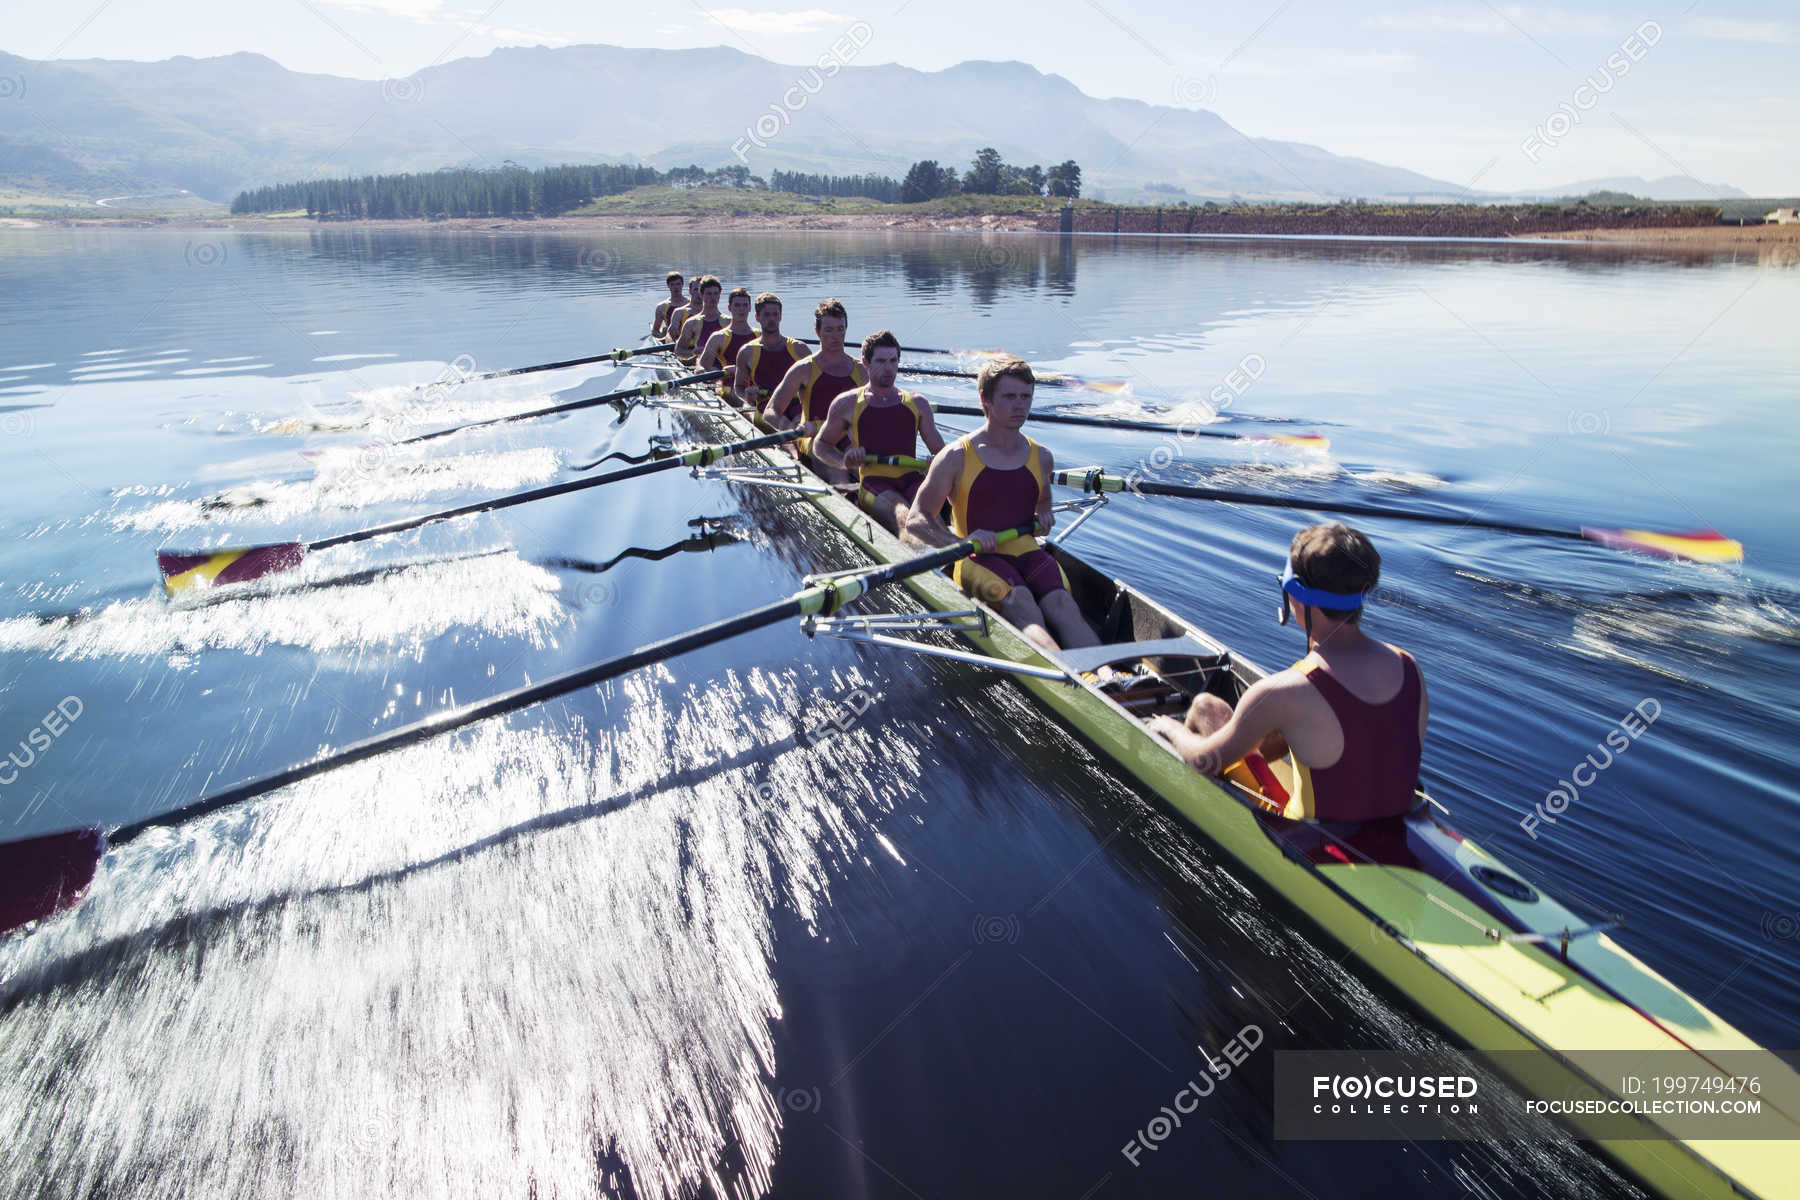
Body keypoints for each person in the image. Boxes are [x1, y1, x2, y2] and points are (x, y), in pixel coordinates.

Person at [1147, 522, 1429, 823]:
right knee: (1208, 708)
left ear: (1297, 597)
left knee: (1201, 715)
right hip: (1394, 825)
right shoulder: (1408, 666)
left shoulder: (1286, 691)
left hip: (1311, 839)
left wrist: (1168, 728)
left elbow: (1203, 761)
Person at [902, 355, 1099, 653]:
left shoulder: (1042, 456)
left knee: (1063, 604)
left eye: (1026, 397)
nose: (1020, 405)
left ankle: (1107, 677)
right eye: (1009, 397)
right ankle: (1074, 679)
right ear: (986, 400)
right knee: (1022, 602)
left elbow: (1043, 507)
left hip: (1026, 551)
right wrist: (960, 542)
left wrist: (1044, 518)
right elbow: (916, 519)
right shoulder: (955, 456)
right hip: (974, 559)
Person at [812, 330, 946, 532]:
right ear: (865, 363)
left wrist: (935, 465)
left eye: (893, 361)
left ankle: (950, 556)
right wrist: (844, 461)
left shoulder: (918, 403)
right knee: (904, 516)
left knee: (931, 518)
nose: (889, 368)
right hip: (874, 483)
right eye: (881, 361)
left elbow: (942, 453)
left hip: (911, 478)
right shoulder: (846, 403)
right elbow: (820, 445)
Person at [762, 298, 865, 434]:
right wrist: (792, 429)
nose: (836, 336)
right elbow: (770, 411)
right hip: (811, 438)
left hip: (849, 439)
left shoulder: (862, 370)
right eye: (829, 330)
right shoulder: (803, 369)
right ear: (817, 331)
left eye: (840, 329)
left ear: (846, 328)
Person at [733, 292, 807, 413]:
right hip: (764, 411)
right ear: (757, 317)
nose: (771, 319)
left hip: (796, 409)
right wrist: (747, 396)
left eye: (775, 314)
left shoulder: (799, 348)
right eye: (766, 315)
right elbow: (739, 387)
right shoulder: (747, 352)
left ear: (780, 316)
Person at [699, 287, 756, 398]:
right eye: (737, 305)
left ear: (750, 308)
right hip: (729, 390)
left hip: (756, 390)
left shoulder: (759, 335)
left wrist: (739, 370)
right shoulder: (718, 337)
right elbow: (702, 368)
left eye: (745, 305)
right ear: (730, 308)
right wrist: (712, 372)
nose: (741, 309)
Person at [673, 275, 724, 365]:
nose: (713, 298)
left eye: (716, 293)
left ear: (720, 295)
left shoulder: (729, 321)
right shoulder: (691, 323)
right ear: (701, 295)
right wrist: (693, 353)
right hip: (702, 369)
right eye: (709, 294)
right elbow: (678, 351)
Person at [665, 275, 704, 357]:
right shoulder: (679, 312)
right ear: (690, 291)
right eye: (696, 289)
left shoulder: (713, 315)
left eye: (701, 290)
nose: (699, 293)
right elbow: (670, 336)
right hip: (685, 353)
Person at [651, 271, 684, 339]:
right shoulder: (661, 307)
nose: (676, 287)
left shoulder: (690, 303)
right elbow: (654, 331)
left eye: (678, 284)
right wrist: (661, 335)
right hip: (671, 340)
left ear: (682, 285)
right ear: (668, 286)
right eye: (672, 285)